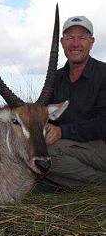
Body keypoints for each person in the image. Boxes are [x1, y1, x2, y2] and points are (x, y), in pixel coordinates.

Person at [39, 15, 106, 191]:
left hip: (100, 146)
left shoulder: (104, 74)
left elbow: (103, 124)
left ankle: (99, 185)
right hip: (71, 148)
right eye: (69, 38)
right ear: (62, 42)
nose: (75, 44)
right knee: (31, 150)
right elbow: (47, 115)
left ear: (91, 42)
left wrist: (62, 132)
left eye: (82, 38)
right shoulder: (56, 77)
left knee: (46, 155)